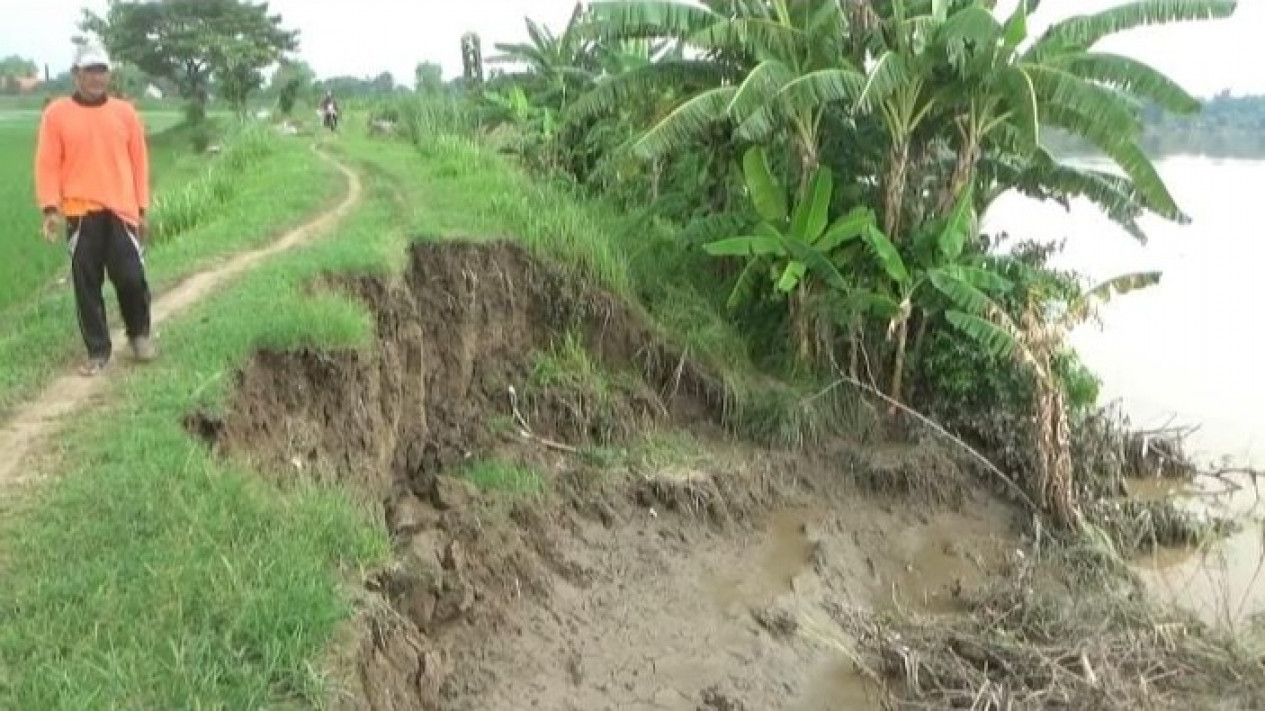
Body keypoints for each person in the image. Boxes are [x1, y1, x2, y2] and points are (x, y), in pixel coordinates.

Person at [34, 42, 155, 376]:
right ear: (77, 74)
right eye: (90, 70)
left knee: (131, 277)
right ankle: (98, 352)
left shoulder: (125, 113)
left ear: (108, 74)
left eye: (102, 70)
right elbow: (47, 164)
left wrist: (142, 208)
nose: (97, 77)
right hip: (80, 213)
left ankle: (140, 335)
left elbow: (139, 162)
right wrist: (49, 209)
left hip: (122, 211)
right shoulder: (56, 114)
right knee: (86, 284)